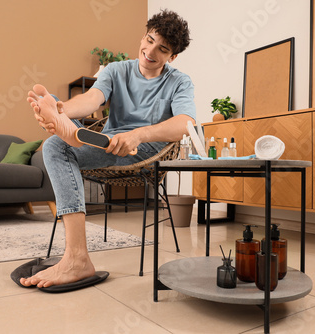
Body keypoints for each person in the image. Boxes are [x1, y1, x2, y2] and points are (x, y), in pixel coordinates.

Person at [20, 9, 196, 289]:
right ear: (143, 36)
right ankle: (63, 121)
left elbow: (186, 123)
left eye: (161, 49)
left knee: (57, 144)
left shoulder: (179, 81)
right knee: (55, 144)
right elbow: (93, 99)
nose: (149, 51)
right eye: (148, 40)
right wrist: (62, 108)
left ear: (172, 56)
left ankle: (77, 259)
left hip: (147, 149)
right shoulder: (116, 70)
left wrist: (139, 134)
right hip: (108, 144)